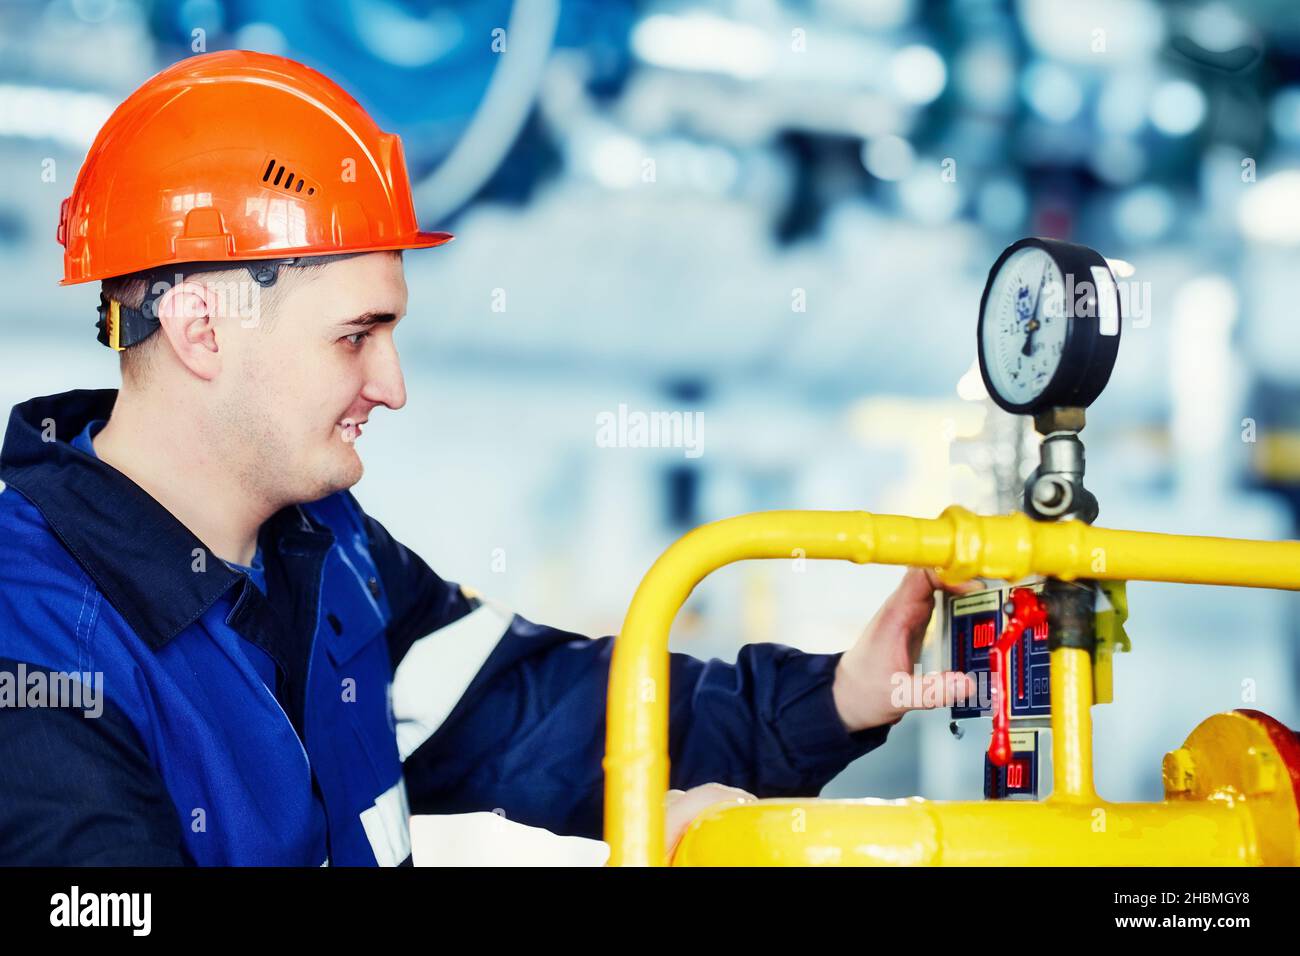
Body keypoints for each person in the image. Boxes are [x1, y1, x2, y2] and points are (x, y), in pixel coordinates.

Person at [0, 50, 972, 865]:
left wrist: (840, 690)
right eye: (355, 335)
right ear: (204, 330)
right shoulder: (35, 644)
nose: (392, 383)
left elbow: (545, 708)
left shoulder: (326, 553)